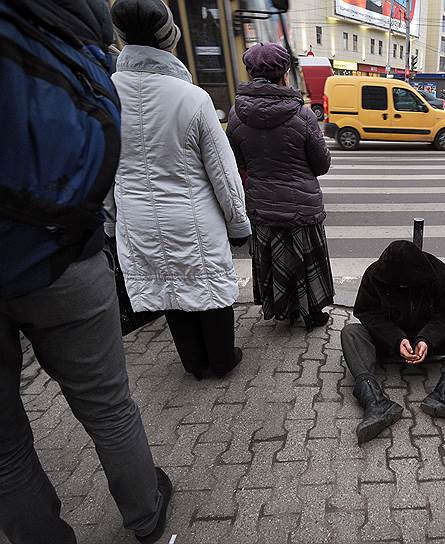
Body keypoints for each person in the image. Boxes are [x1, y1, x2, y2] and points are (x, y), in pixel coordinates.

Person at [0, 1, 171, 542]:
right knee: (108, 405)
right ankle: (145, 512)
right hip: (66, 260)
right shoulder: (67, 36)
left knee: (3, 446)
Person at [109, 0, 251, 380]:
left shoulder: (105, 94)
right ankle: (222, 359)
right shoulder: (192, 97)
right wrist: (238, 225)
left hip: (136, 218)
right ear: (169, 37)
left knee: (167, 286)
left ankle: (194, 363)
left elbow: (100, 168)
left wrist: (111, 224)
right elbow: (224, 172)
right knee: (207, 284)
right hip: (192, 216)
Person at [227, 42, 334, 330]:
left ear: (250, 73)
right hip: (301, 205)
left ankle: (281, 310)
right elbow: (321, 165)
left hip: (262, 204)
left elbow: (237, 162)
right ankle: (310, 313)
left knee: (274, 260)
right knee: (304, 262)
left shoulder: (236, 114)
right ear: (284, 73)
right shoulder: (302, 114)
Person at [341, 241, 445, 444]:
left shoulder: (438, 272)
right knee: (350, 332)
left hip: (432, 341)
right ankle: (374, 403)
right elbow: (367, 312)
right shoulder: (375, 274)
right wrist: (397, 339)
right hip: (388, 343)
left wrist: (427, 339)